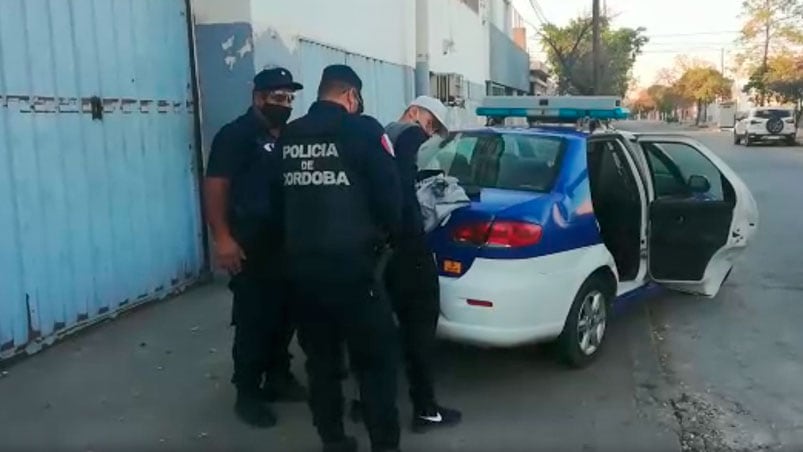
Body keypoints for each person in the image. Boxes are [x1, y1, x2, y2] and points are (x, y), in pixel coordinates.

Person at [277, 64, 403, 452]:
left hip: (302, 272)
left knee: (322, 365)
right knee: (375, 365)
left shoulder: (290, 135)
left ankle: (333, 440)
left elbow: (277, 200)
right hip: (355, 272)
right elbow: (391, 201)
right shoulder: (364, 130)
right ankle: (384, 444)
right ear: (351, 96)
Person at [204, 67, 307, 428]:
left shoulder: (291, 136)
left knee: (285, 317)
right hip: (250, 246)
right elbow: (217, 186)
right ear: (258, 97)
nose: (286, 104)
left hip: (288, 244)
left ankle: (278, 377)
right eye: (279, 97)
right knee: (254, 322)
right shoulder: (236, 135)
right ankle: (247, 392)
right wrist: (223, 238)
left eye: (291, 98)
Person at [382, 96, 462, 432]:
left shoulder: (381, 133)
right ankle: (425, 409)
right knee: (420, 328)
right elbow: (401, 192)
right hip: (407, 251)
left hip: (379, 252)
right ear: (415, 112)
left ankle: (369, 402)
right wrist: (414, 228)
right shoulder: (408, 134)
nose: (428, 134)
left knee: (383, 331)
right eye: (430, 125)